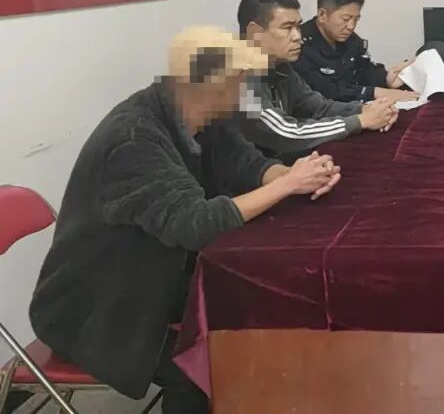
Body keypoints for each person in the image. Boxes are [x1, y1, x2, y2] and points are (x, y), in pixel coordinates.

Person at [29, 26, 344, 414]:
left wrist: (296, 176)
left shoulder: (200, 114)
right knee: (199, 367)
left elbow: (248, 164)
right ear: (212, 86)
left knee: (256, 305)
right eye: (241, 83)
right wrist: (287, 185)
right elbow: (198, 225)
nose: (246, 93)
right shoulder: (134, 139)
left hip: (158, 276)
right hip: (94, 308)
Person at [237, 0, 397, 162]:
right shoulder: (238, 78)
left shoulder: (280, 66)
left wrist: (365, 109)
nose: (297, 36)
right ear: (255, 33)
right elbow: (287, 132)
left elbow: (318, 107)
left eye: (298, 26)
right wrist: (361, 121)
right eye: (287, 28)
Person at [295, 0, 419, 105]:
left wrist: (385, 79)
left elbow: (366, 69)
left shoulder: (351, 40)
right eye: (346, 19)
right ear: (322, 15)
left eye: (356, 19)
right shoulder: (298, 45)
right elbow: (323, 91)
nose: (351, 26)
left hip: (355, 108)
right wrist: (373, 92)